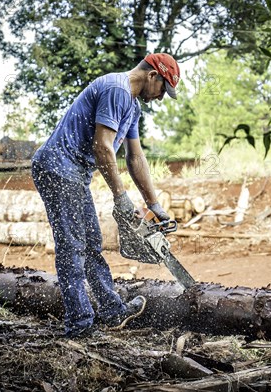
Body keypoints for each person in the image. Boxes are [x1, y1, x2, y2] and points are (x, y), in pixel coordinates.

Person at [31, 53, 181, 338]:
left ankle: (112, 311)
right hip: (57, 167)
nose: (161, 97)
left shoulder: (132, 107)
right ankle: (79, 325)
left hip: (73, 173)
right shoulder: (116, 90)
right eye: (164, 89)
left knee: (91, 243)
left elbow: (135, 157)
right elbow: (103, 147)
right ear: (153, 76)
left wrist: (154, 204)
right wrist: (121, 197)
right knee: (73, 247)